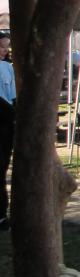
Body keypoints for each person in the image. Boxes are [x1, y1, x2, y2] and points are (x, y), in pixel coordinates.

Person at [0, 34, 14, 231]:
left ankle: (2, 214)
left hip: (6, 124)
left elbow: (13, 96)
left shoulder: (8, 67)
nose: (5, 50)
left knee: (2, 167)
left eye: (6, 47)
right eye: (2, 46)